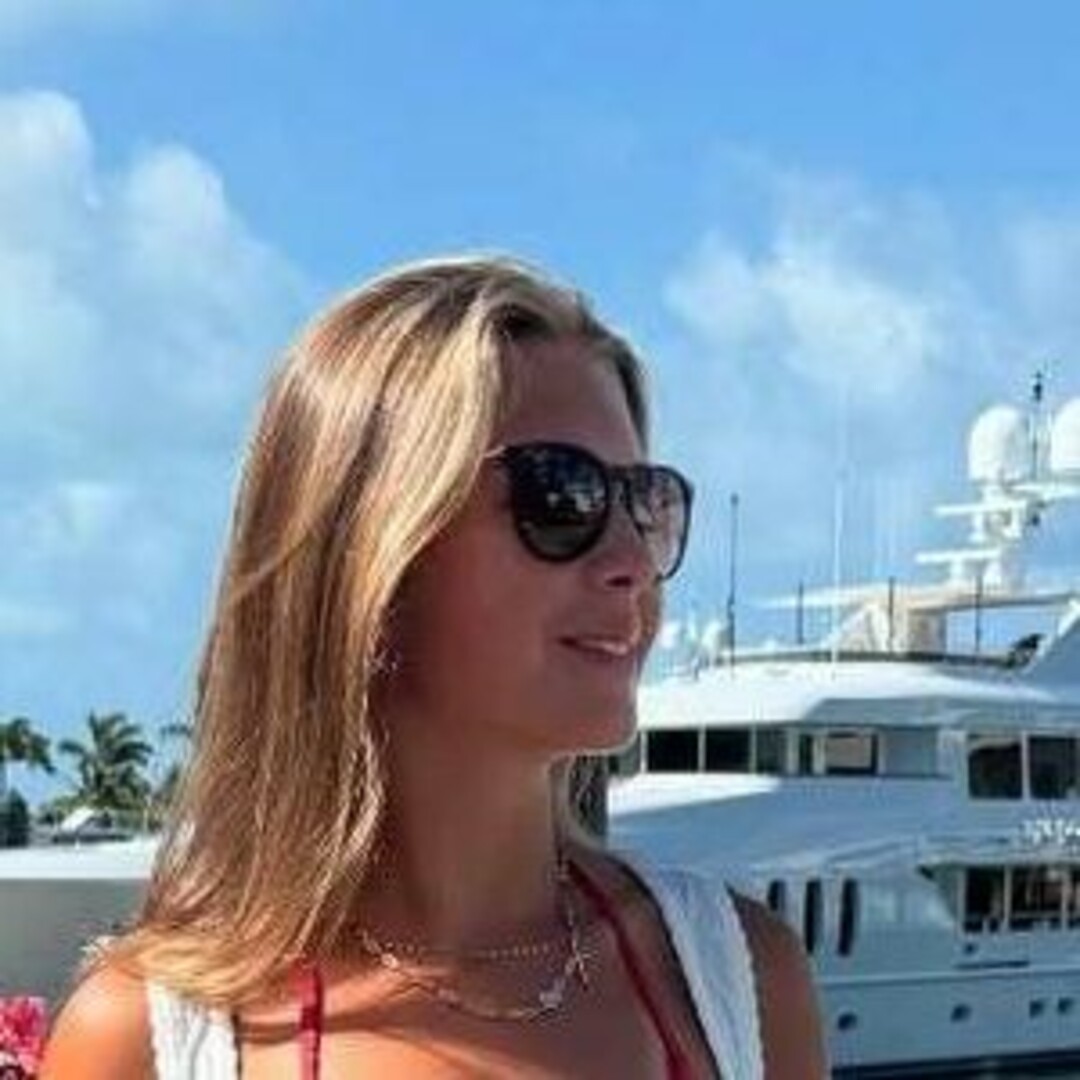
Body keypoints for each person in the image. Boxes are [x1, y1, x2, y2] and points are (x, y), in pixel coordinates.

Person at [43, 256, 826, 1079]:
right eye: (563, 498)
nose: (632, 559)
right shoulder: (149, 1039)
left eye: (646, 500)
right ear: (372, 560)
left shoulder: (733, 982)